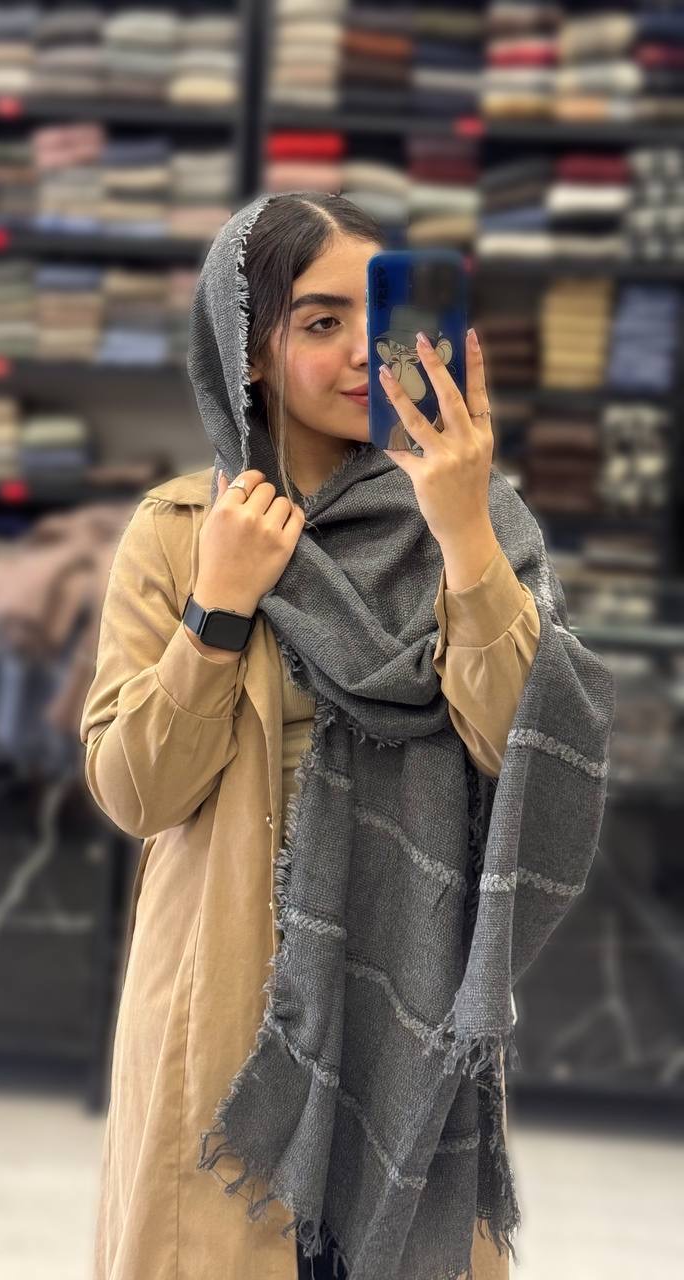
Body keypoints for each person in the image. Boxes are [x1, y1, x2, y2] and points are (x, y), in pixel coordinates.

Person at [80, 193, 614, 1280]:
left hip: (409, 1000)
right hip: (234, 1009)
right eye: (321, 321)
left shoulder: (479, 519)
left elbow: (526, 757)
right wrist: (219, 605)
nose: (366, 350)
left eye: (383, 316)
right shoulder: (182, 533)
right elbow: (134, 791)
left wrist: (463, 534)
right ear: (252, 351)